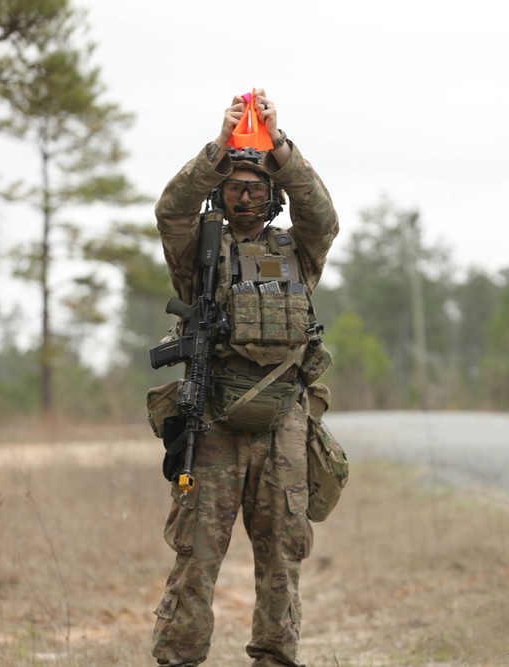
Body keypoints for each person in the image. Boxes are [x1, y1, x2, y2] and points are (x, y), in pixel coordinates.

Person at [151, 89, 339, 667]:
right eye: (234, 183)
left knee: (283, 552)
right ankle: (180, 657)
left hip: (283, 420)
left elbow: (323, 216)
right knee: (197, 555)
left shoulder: (299, 253)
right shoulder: (199, 253)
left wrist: (278, 145)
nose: (246, 192)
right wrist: (218, 146)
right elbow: (170, 210)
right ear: (221, 191)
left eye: (257, 184)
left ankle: (275, 657)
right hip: (213, 421)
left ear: (274, 194)